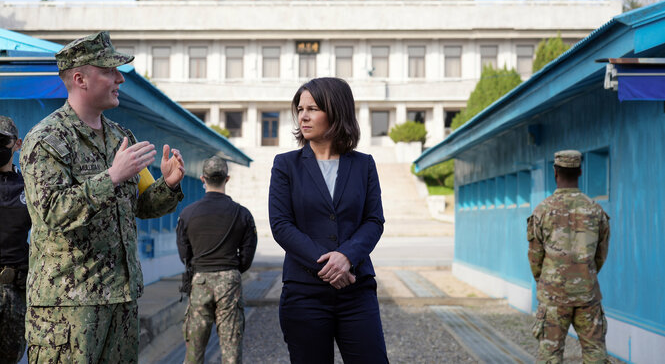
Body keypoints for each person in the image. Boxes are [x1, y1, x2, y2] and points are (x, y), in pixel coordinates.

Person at [19, 31, 186, 362]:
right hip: (68, 306)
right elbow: (52, 213)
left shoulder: (120, 138)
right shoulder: (46, 141)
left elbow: (141, 205)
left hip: (120, 300)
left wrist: (167, 184)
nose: (120, 79)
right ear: (80, 78)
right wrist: (111, 176)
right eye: (109, 71)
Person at [269, 77, 389, 364]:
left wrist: (347, 257)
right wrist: (329, 264)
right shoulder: (286, 165)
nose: (304, 116)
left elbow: (374, 220)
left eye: (313, 108)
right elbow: (281, 225)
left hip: (356, 290)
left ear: (336, 112)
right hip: (304, 293)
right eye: (300, 109)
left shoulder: (364, 164)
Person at [527, 150, 611, 363]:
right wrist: (584, 274)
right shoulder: (595, 210)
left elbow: (535, 258)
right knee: (596, 356)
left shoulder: (542, 211)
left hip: (553, 297)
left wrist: (546, 282)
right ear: (580, 171)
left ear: (555, 172)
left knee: (550, 357)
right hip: (587, 295)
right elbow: (600, 255)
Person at [176, 155, 257, 364]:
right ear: (227, 179)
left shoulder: (187, 213)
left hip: (200, 281)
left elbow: (184, 255)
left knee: (193, 352)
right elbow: (247, 257)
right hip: (230, 282)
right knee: (231, 352)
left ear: (203, 179)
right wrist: (231, 267)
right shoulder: (243, 214)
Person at [0, 116, 31, 363]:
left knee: (11, 357)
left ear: (17, 144)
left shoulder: (29, 187)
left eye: (3, 141)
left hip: (15, 290)